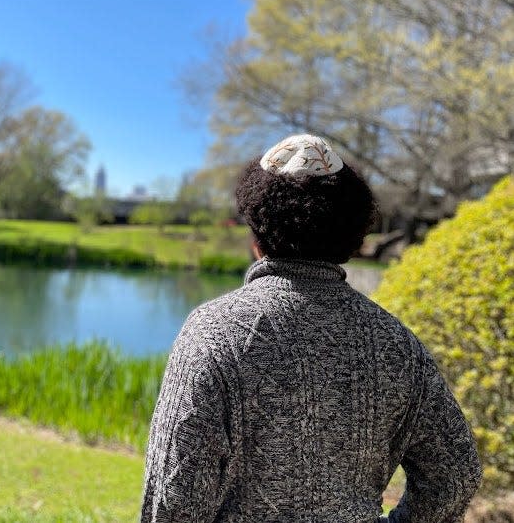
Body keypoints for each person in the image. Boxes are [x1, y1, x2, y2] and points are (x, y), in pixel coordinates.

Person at [140, 134, 482, 522]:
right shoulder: (397, 344)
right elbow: (455, 475)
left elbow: (173, 497)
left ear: (257, 237)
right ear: (351, 239)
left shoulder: (214, 332)